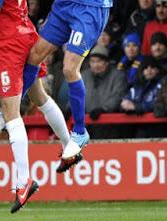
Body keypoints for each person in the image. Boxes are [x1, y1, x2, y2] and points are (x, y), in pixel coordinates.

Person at [0, 0, 71, 213]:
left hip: (12, 44)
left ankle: (23, 181)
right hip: (25, 35)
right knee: (39, 97)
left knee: (11, 113)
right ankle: (69, 146)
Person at [11, 0, 111, 167]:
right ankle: (11, 108)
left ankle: (80, 132)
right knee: (34, 56)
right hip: (63, 5)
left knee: (70, 69)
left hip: (89, 8)